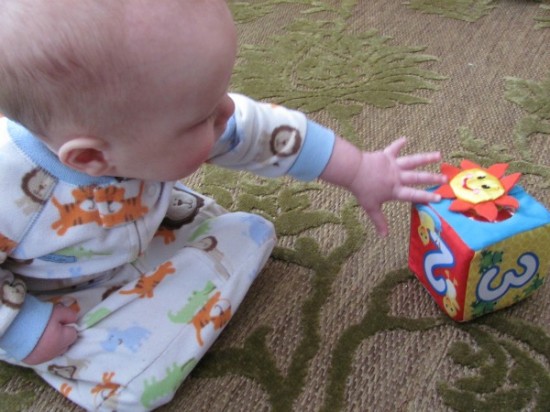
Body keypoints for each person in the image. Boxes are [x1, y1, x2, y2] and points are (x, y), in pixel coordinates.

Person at [0, 0, 446, 410]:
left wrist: (359, 170)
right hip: (53, 290)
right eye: (202, 116)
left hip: (135, 227)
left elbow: (261, 132)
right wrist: (23, 329)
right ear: (92, 158)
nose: (229, 109)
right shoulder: (11, 189)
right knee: (128, 388)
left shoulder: (149, 123)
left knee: (243, 229)